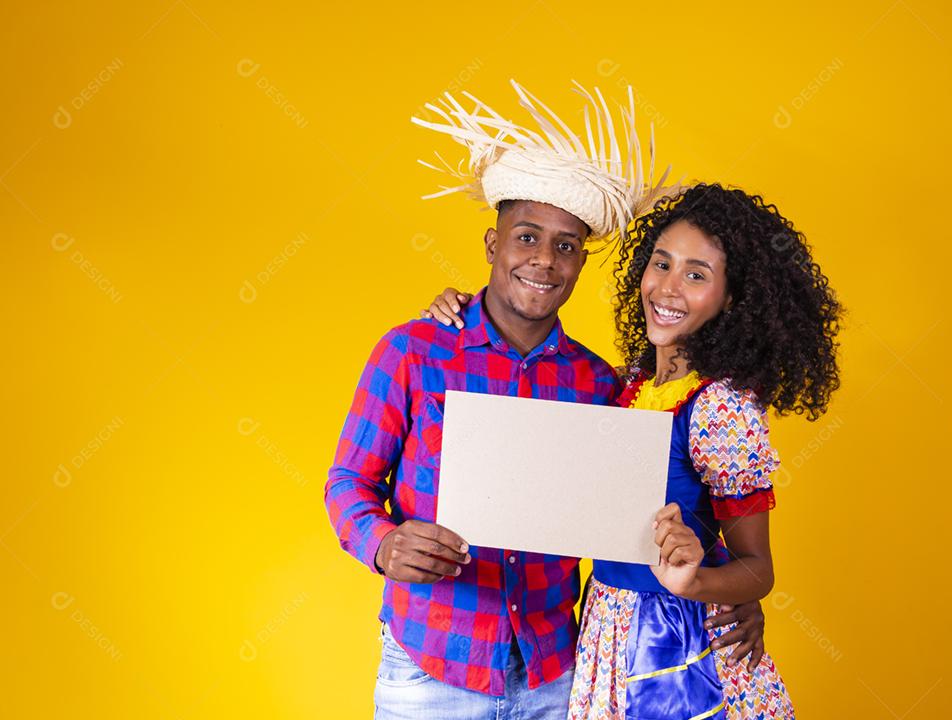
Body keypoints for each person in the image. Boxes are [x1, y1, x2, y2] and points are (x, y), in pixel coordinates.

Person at [325, 82, 767, 719]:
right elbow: (347, 480)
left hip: (557, 676)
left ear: (581, 264)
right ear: (492, 246)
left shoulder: (602, 387)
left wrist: (735, 594)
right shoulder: (414, 351)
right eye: (526, 237)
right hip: (430, 669)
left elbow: (676, 496)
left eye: (565, 246)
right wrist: (381, 543)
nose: (544, 260)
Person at [424, 181, 843, 718]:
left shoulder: (721, 408)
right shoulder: (625, 388)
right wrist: (463, 306)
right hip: (606, 631)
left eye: (697, 275)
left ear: (732, 296)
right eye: (661, 264)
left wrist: (697, 582)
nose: (668, 288)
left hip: (678, 649)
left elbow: (758, 568)